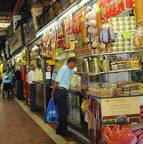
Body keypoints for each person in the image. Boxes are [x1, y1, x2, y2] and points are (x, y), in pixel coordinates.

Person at [51, 57, 78, 137]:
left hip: (63, 92)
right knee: (64, 113)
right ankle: (64, 131)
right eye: (75, 64)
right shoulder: (64, 69)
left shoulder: (69, 70)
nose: (75, 66)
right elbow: (56, 82)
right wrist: (52, 95)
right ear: (71, 63)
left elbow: (76, 72)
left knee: (63, 112)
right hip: (60, 92)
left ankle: (59, 129)